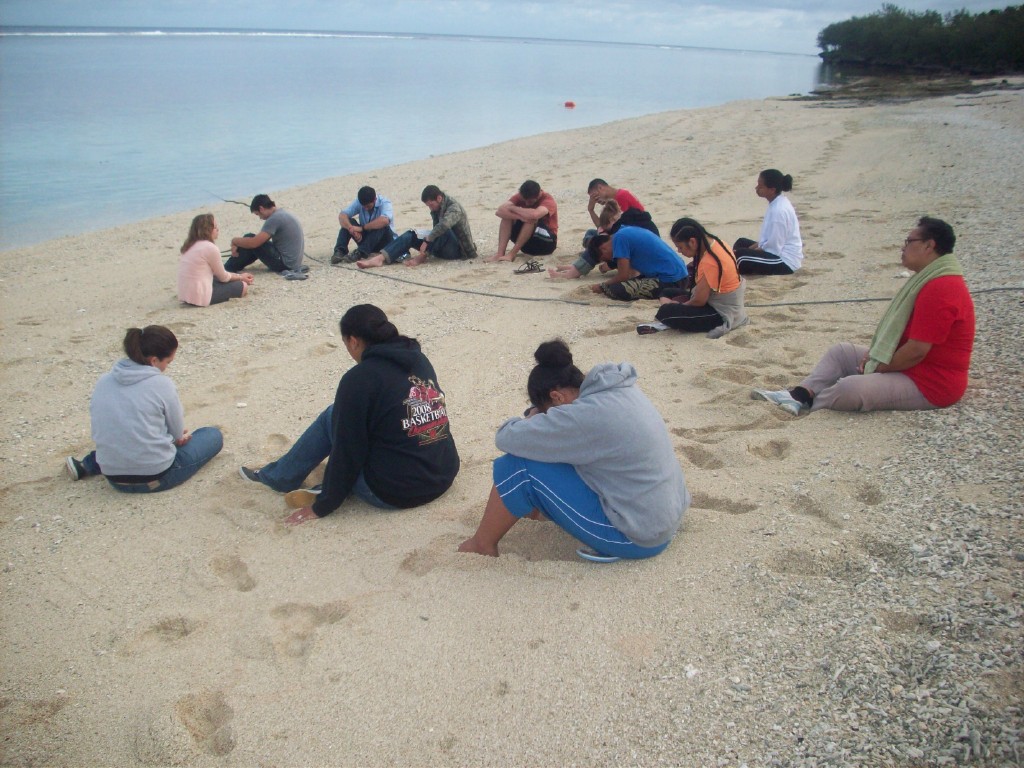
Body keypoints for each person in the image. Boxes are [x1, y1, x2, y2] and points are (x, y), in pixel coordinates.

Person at [458, 340, 689, 561]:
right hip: (666, 516)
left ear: (557, 397)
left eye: (548, 411)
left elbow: (506, 437)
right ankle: (538, 508)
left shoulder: (583, 417)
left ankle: (481, 544)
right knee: (553, 453)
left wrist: (531, 418)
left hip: (637, 538)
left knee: (516, 466)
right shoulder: (619, 388)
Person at [239, 304, 460, 524]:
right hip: (442, 475)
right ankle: (323, 484)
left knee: (332, 416)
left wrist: (325, 505)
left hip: (395, 493)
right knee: (394, 418)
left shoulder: (359, 378)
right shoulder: (418, 359)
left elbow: (348, 449)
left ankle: (280, 478)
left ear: (353, 341)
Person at [752, 217, 974, 415]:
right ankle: (800, 394)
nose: (903, 247)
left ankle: (812, 404)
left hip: (932, 383)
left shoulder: (941, 287)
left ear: (929, 245)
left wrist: (881, 367)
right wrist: (877, 357)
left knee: (851, 388)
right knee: (841, 353)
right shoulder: (929, 279)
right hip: (912, 367)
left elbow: (917, 351)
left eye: (909, 242)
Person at [65, 326, 223, 492]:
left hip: (112, 476)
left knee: (122, 439)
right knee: (212, 435)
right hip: (156, 477)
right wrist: (176, 437)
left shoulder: (103, 381)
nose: (167, 367)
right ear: (154, 361)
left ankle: (87, 464)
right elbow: (177, 435)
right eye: (167, 362)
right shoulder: (162, 384)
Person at [637, 218, 749, 338]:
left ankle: (671, 320)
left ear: (692, 242)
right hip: (714, 299)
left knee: (666, 313)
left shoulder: (710, 262)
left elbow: (699, 301)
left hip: (721, 312)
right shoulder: (716, 242)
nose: (679, 251)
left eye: (680, 247)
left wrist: (680, 306)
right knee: (666, 292)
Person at [356, 185, 479, 268]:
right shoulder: (438, 206)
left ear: (439, 198)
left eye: (431, 205)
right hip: (439, 244)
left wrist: (428, 239)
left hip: (458, 250)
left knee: (443, 230)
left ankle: (421, 257)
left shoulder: (454, 208)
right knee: (411, 233)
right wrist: (425, 238)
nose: (430, 208)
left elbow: (443, 226)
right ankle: (381, 258)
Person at [586, 226, 688, 300]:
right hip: (681, 276)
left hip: (671, 281)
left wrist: (602, 286)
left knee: (616, 290)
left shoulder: (619, 239)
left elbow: (623, 276)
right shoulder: (624, 231)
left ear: (603, 249)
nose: (612, 259)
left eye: (606, 258)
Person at [732, 169, 804, 275]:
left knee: (740, 257)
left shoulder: (778, 211)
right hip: (776, 251)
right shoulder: (777, 202)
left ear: (771, 190)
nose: (756, 188)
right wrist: (748, 249)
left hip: (785, 262)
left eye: (760, 186)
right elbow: (766, 241)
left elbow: (773, 248)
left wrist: (744, 253)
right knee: (741, 243)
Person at [177, 213, 254, 306]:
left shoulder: (188, 246)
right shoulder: (210, 248)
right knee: (242, 286)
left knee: (226, 280)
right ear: (207, 230)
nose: (217, 229)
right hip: (200, 296)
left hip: (185, 294)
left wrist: (236, 276)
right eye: (215, 227)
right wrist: (241, 277)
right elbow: (223, 277)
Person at [224, 194, 306, 278]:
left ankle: (228, 267)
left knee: (249, 238)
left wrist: (234, 241)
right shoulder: (282, 213)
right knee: (248, 240)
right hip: (293, 262)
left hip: (285, 264)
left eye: (258, 214)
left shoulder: (274, 219)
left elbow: (254, 243)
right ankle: (231, 266)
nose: (260, 218)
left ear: (261, 209)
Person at [487, 180, 558, 262]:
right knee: (506, 217)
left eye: (530, 201)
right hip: (526, 244)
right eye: (524, 200)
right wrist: (518, 217)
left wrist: (513, 208)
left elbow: (535, 214)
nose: (527, 204)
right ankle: (500, 254)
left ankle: (511, 254)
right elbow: (499, 211)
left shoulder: (548, 200)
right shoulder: (521, 196)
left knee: (531, 219)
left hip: (546, 243)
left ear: (538, 195)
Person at [548, 201, 621, 280]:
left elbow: (620, 256)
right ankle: (576, 265)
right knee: (591, 232)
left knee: (594, 250)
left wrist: (607, 266)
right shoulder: (620, 226)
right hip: (612, 248)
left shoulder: (618, 235)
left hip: (616, 258)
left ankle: (571, 273)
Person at [331, 185, 397, 264]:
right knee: (349, 221)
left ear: (374, 200)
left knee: (381, 225)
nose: (365, 208)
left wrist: (362, 228)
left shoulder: (385, 203)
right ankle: (340, 251)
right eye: (363, 206)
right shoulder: (359, 202)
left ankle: (360, 253)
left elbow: (385, 220)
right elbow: (342, 215)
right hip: (366, 239)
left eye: (368, 206)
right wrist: (351, 229)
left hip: (385, 241)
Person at [587, 178, 659, 235]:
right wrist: (591, 210)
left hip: (641, 230)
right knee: (591, 233)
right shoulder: (614, 201)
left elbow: (619, 226)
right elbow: (603, 227)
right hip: (635, 230)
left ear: (600, 188)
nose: (595, 200)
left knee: (592, 237)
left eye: (595, 196)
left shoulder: (621, 197)